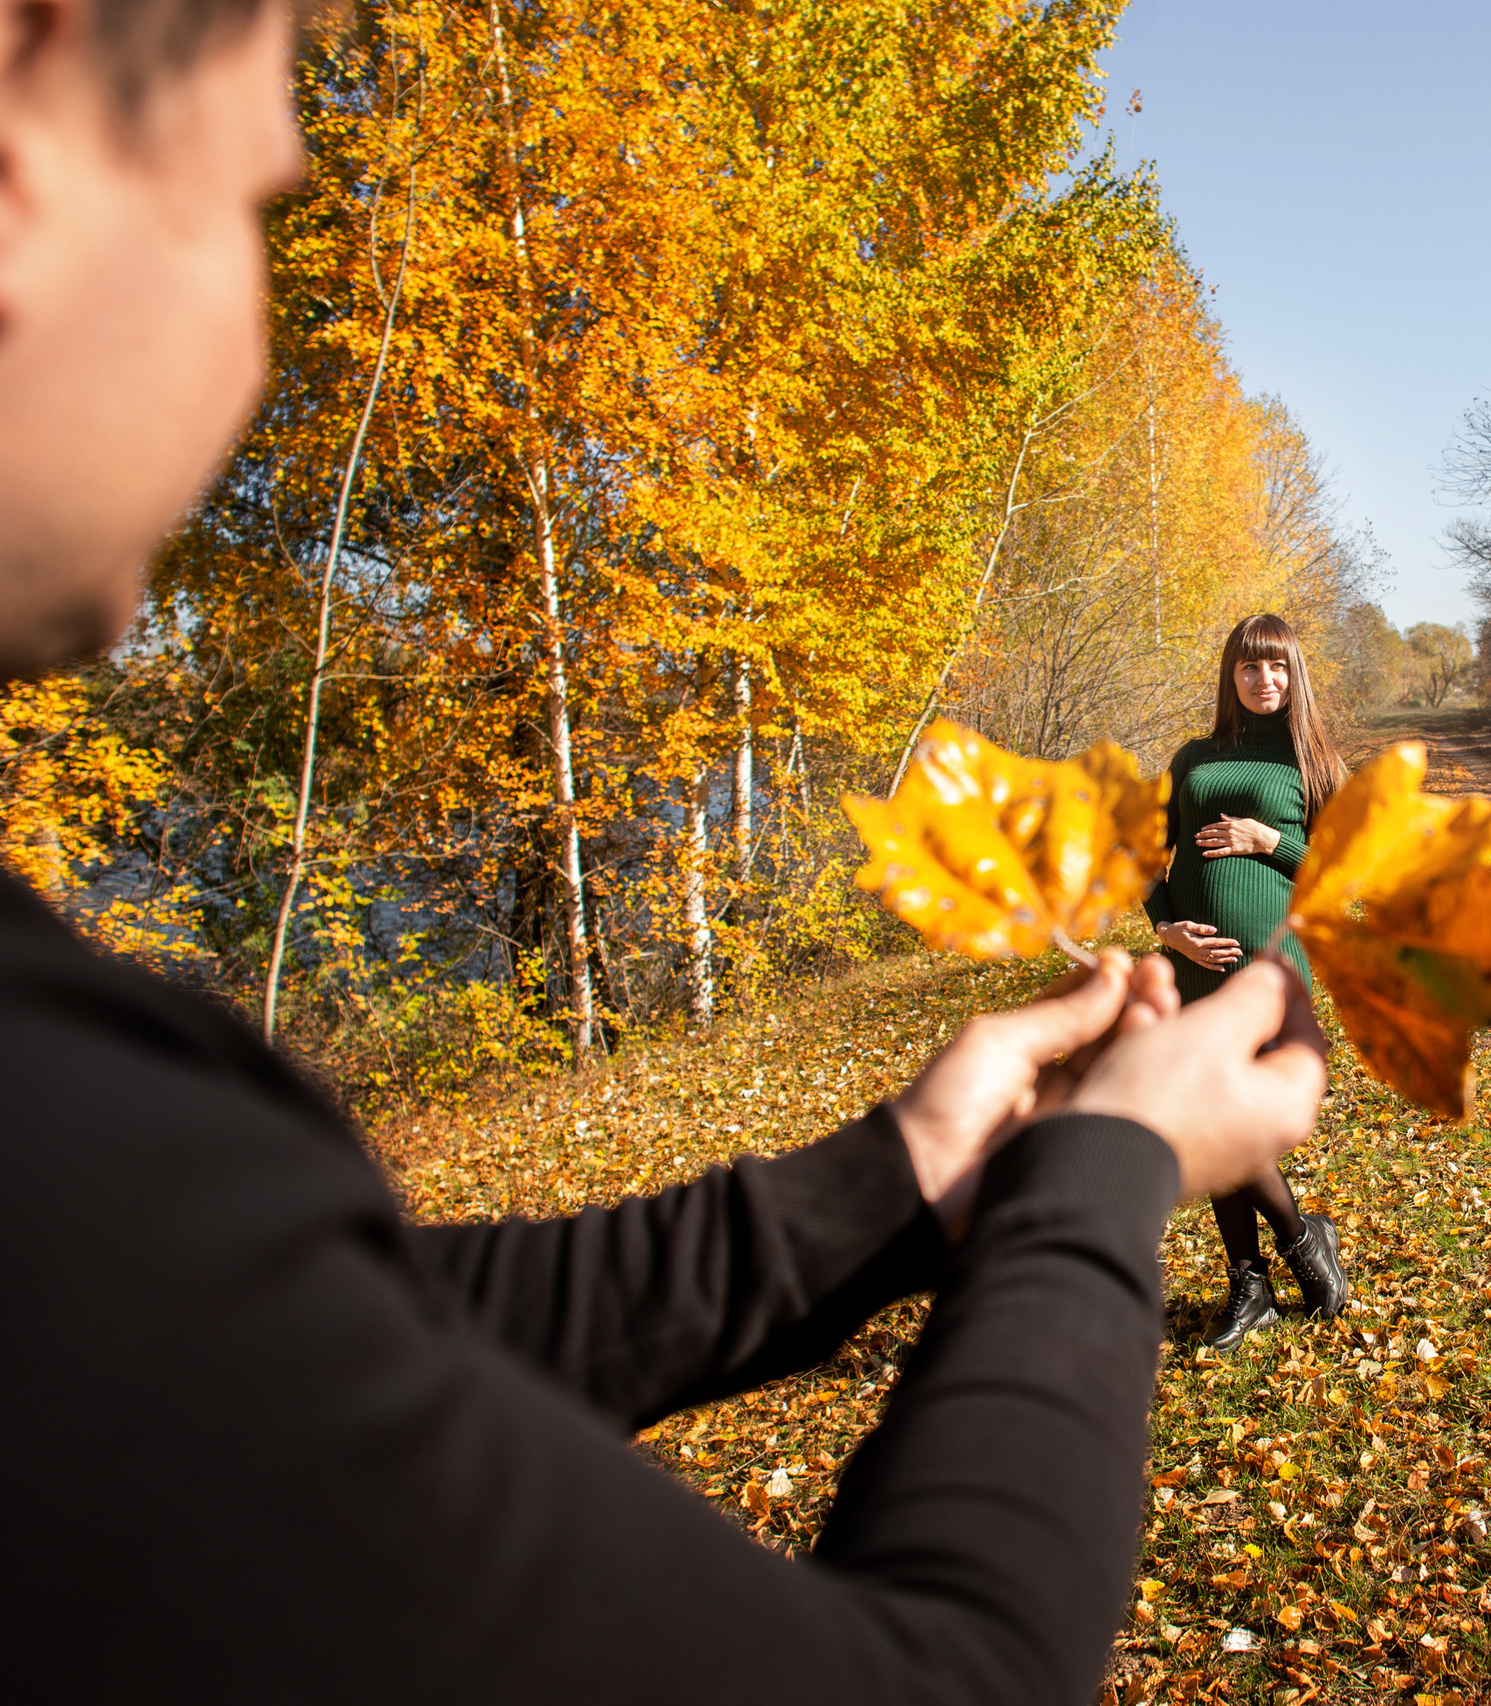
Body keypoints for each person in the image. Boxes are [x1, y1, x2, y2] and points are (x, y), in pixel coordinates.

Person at [0, 4, 1326, 1700]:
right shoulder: (53, 1151)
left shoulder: (85, 1174)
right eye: (248, 207)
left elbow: (366, 1326)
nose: (259, 342)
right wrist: (1106, 1174)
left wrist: (892, 1185)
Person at [1146, 612, 1356, 1349]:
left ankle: (1297, 1246)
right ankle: (1255, 1282)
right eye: (1248, 667)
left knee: (1225, 1119)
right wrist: (1166, 927)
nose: (1263, 679)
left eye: (1277, 667)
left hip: (1268, 966)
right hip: (1190, 966)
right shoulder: (1193, 758)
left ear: (1295, 675)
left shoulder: (1317, 766)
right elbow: (1146, 855)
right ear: (1229, 676)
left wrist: (1271, 841)